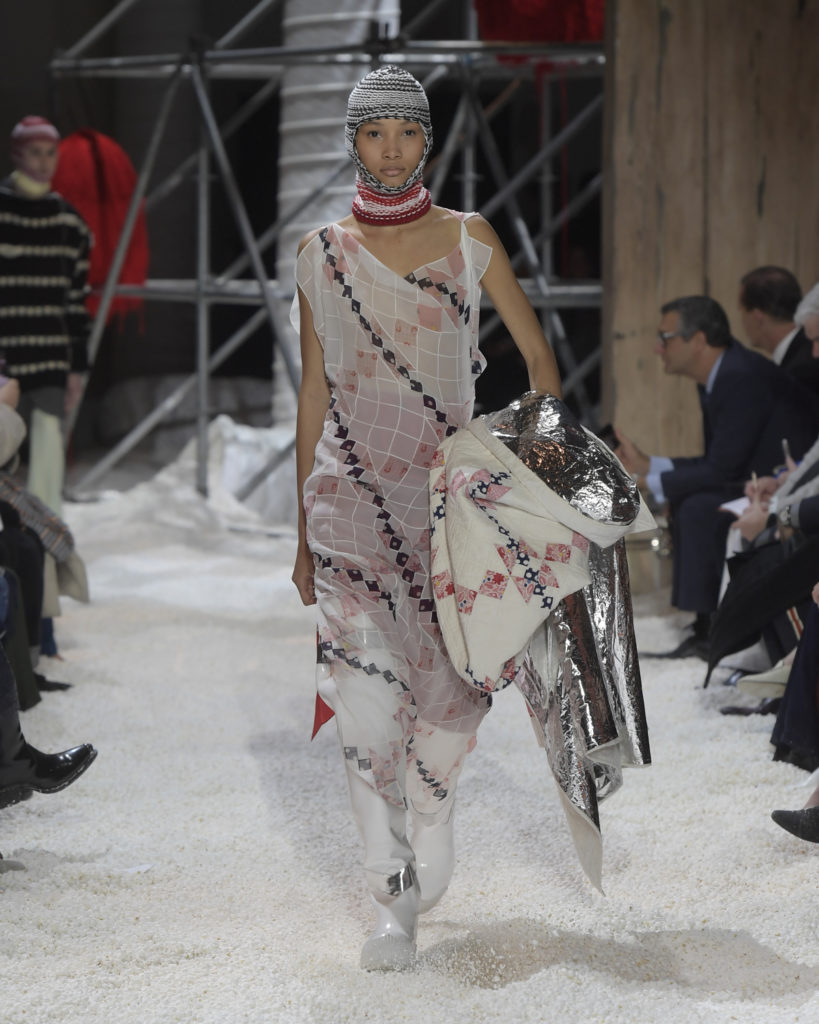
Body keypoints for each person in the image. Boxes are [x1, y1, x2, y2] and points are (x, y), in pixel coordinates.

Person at [291, 66, 561, 971]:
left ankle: (433, 807)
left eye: (407, 132)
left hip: (449, 515)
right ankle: (387, 894)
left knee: (445, 711)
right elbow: (313, 393)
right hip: (348, 506)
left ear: (428, 140)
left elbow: (537, 360)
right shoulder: (319, 252)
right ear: (353, 142)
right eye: (374, 133)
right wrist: (299, 534)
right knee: (365, 711)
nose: (391, 150)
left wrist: (529, 476)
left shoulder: (468, 238)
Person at [615, 295, 819, 658]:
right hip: (756, 479)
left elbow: (723, 469)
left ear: (698, 340)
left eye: (665, 338)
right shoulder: (720, 375)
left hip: (783, 481)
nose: (658, 348)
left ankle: (712, 629)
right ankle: (705, 625)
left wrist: (648, 482)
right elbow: (720, 461)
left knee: (698, 506)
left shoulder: (739, 375)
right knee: (692, 499)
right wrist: (649, 466)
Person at [0, 116, 92, 657]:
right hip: (4, 374)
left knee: (46, 495)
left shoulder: (69, 224)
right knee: (6, 494)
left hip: (51, 374)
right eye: (32, 152)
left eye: (48, 153)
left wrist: (76, 371)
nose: (41, 161)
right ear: (16, 154)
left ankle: (42, 629)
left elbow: (75, 305)